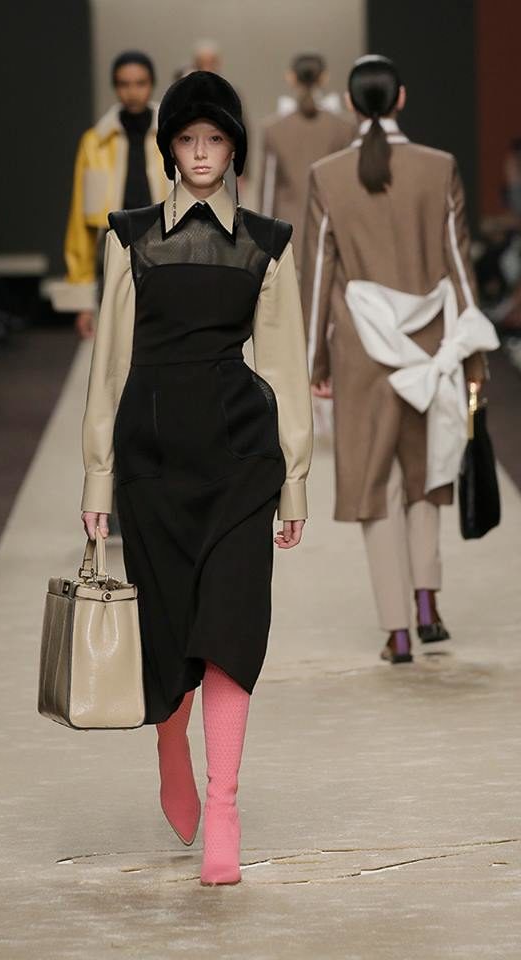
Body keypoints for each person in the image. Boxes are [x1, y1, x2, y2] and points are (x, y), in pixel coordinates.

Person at [80, 71, 313, 885]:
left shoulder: (267, 243)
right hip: (152, 462)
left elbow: (282, 367)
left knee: (231, 633)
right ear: (169, 148)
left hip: (240, 460)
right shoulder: (130, 237)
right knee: (170, 633)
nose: (202, 154)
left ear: (234, 148)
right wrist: (98, 479)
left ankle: (225, 806)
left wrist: (294, 480)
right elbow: (110, 367)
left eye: (215, 140)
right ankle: (169, 743)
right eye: (188, 140)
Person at [302, 55, 499, 664]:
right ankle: (427, 603)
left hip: (362, 350)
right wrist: (474, 354)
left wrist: (315, 362)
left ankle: (396, 630)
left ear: (351, 104)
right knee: (426, 475)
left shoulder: (327, 175)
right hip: (431, 344)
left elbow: (318, 275)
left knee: (376, 486)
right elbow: (459, 265)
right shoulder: (439, 167)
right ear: (402, 98)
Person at [62, 51, 169, 338]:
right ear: (115, 87)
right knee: (118, 346)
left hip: (165, 253)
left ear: (151, 84)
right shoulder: (94, 143)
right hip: (114, 253)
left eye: (140, 83)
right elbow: (80, 221)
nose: (132, 92)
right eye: (124, 84)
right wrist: (82, 300)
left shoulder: (172, 137)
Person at [260, 53, 353, 264]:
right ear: (324, 78)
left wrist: (264, 243)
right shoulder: (344, 128)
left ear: (291, 78)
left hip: (286, 236)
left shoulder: (273, 129)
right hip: (332, 233)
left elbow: (268, 195)